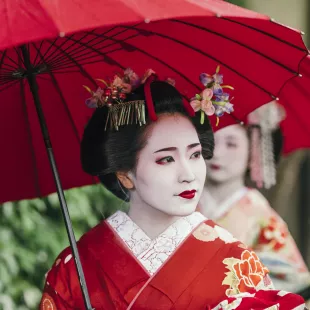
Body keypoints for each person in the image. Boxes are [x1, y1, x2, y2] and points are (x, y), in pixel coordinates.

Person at [40, 68, 306, 309]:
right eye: (166, 159)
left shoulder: (236, 260)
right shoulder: (76, 268)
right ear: (125, 174)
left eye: (195, 154)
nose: (189, 175)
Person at [198, 102, 310, 294]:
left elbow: (296, 281)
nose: (217, 153)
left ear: (253, 149)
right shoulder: (182, 203)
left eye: (231, 144)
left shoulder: (260, 214)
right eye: (211, 142)